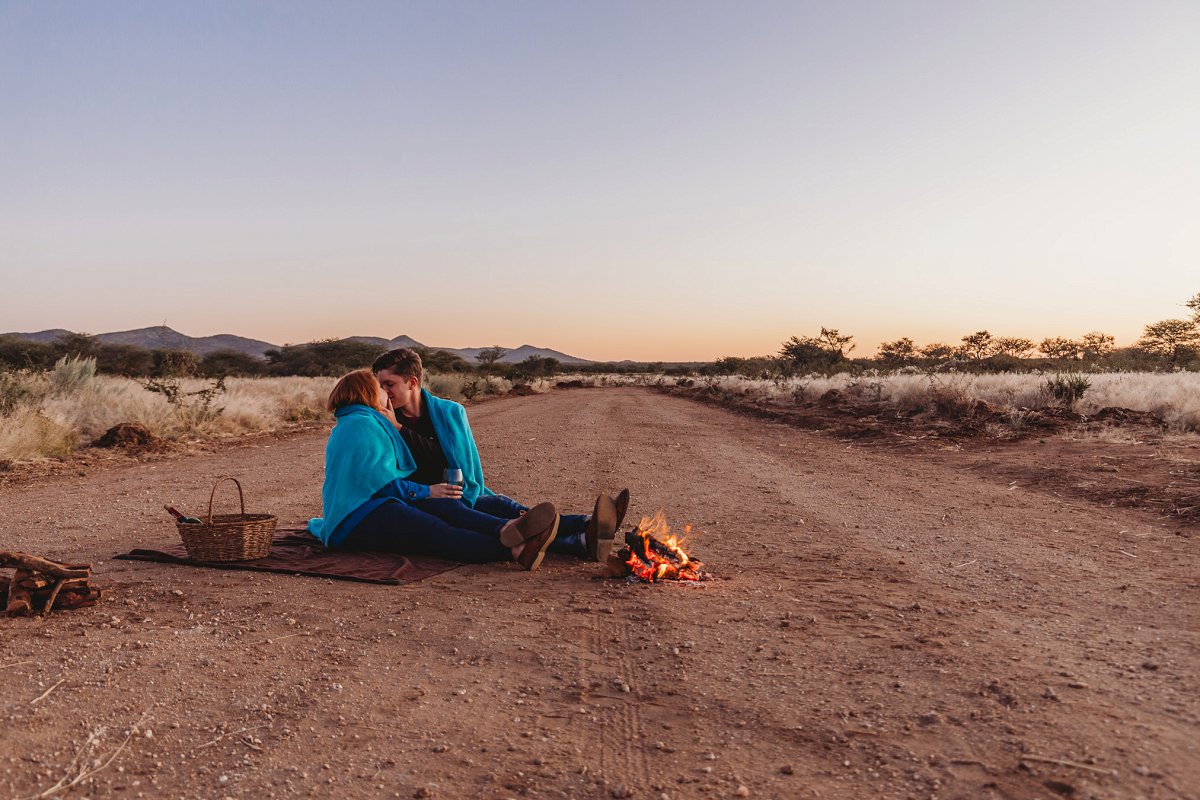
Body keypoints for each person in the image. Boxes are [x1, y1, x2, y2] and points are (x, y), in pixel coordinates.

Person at [371, 348, 630, 563]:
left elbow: (451, 461)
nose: (384, 392)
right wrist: (397, 428)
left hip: (459, 490)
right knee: (488, 518)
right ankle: (581, 535)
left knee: (502, 506)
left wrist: (401, 428)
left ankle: (584, 531)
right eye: (380, 385)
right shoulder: (383, 421)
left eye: (389, 384)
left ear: (413, 382)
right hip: (423, 497)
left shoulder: (449, 412)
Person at [307, 370, 560, 570]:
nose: (385, 392)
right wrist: (427, 491)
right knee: (436, 532)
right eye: (379, 387)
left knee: (442, 514)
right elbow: (381, 483)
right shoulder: (361, 425)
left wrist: (426, 494)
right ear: (367, 394)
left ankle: (506, 530)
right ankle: (514, 547)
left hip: (370, 509)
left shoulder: (355, 422)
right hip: (356, 519)